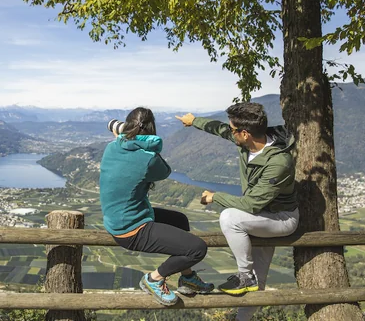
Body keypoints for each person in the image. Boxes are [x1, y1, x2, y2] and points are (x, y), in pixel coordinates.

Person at [176, 102, 299, 321]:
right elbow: (220, 130)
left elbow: (251, 204)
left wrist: (215, 197)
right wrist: (194, 121)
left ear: (245, 133)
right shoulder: (248, 141)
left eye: (233, 130)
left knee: (230, 217)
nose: (229, 132)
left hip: (280, 219)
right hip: (259, 217)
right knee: (258, 282)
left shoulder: (279, 161)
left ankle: (244, 275)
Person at [99, 106, 214, 306]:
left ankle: (187, 277)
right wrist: (149, 145)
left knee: (180, 220)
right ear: (152, 130)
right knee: (197, 249)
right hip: (132, 230)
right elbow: (165, 171)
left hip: (119, 219)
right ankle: (154, 279)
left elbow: (126, 148)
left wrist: (124, 136)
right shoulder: (148, 159)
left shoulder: (112, 147)